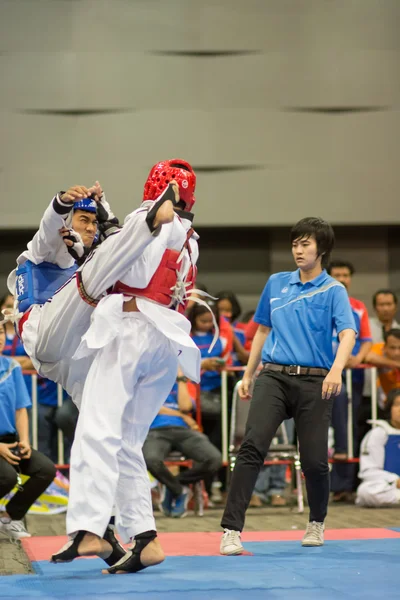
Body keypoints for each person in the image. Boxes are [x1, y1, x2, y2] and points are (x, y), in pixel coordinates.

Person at [51, 160, 203, 575]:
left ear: (157, 189)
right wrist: (111, 219)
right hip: (166, 341)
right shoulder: (190, 237)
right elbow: (140, 249)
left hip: (131, 331)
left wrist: (100, 238)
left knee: (96, 427)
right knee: (126, 442)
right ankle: (145, 537)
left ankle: (87, 526)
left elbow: (125, 260)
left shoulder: (151, 216)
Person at [219, 217, 357, 555]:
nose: (298, 249)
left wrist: (336, 370)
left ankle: (316, 522)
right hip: (275, 376)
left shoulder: (333, 290)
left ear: (321, 249)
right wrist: (249, 375)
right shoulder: (276, 283)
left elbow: (348, 334)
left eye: (305, 244)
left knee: (313, 460)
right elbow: (262, 331)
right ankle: (231, 530)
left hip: (315, 380)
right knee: (251, 447)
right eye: (295, 243)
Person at [0, 322, 56, 539]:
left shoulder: (12, 366)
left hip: (11, 441)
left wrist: (24, 440)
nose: (1, 337)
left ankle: (10, 518)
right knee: (6, 477)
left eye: (1, 332)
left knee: (45, 469)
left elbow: (21, 409)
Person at [143, 375, 221, 518]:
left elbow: (186, 407)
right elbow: (149, 407)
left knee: (214, 459)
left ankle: (174, 486)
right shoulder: (148, 380)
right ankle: (179, 491)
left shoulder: (184, 381)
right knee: (150, 459)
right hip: (155, 430)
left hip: (183, 430)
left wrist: (179, 379)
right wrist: (182, 415)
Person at [327, 260, 372, 501]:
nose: (342, 279)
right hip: (322, 372)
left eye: (346, 275)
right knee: (322, 427)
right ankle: (322, 484)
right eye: (338, 275)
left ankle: (343, 486)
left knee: (348, 428)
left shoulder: (359, 307)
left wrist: (359, 358)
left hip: (351, 376)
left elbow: (366, 339)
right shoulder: (320, 302)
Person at [356, 389, 400, 507]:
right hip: (390, 486)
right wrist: (395, 480)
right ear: (389, 407)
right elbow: (368, 471)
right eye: (397, 405)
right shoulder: (379, 433)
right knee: (365, 492)